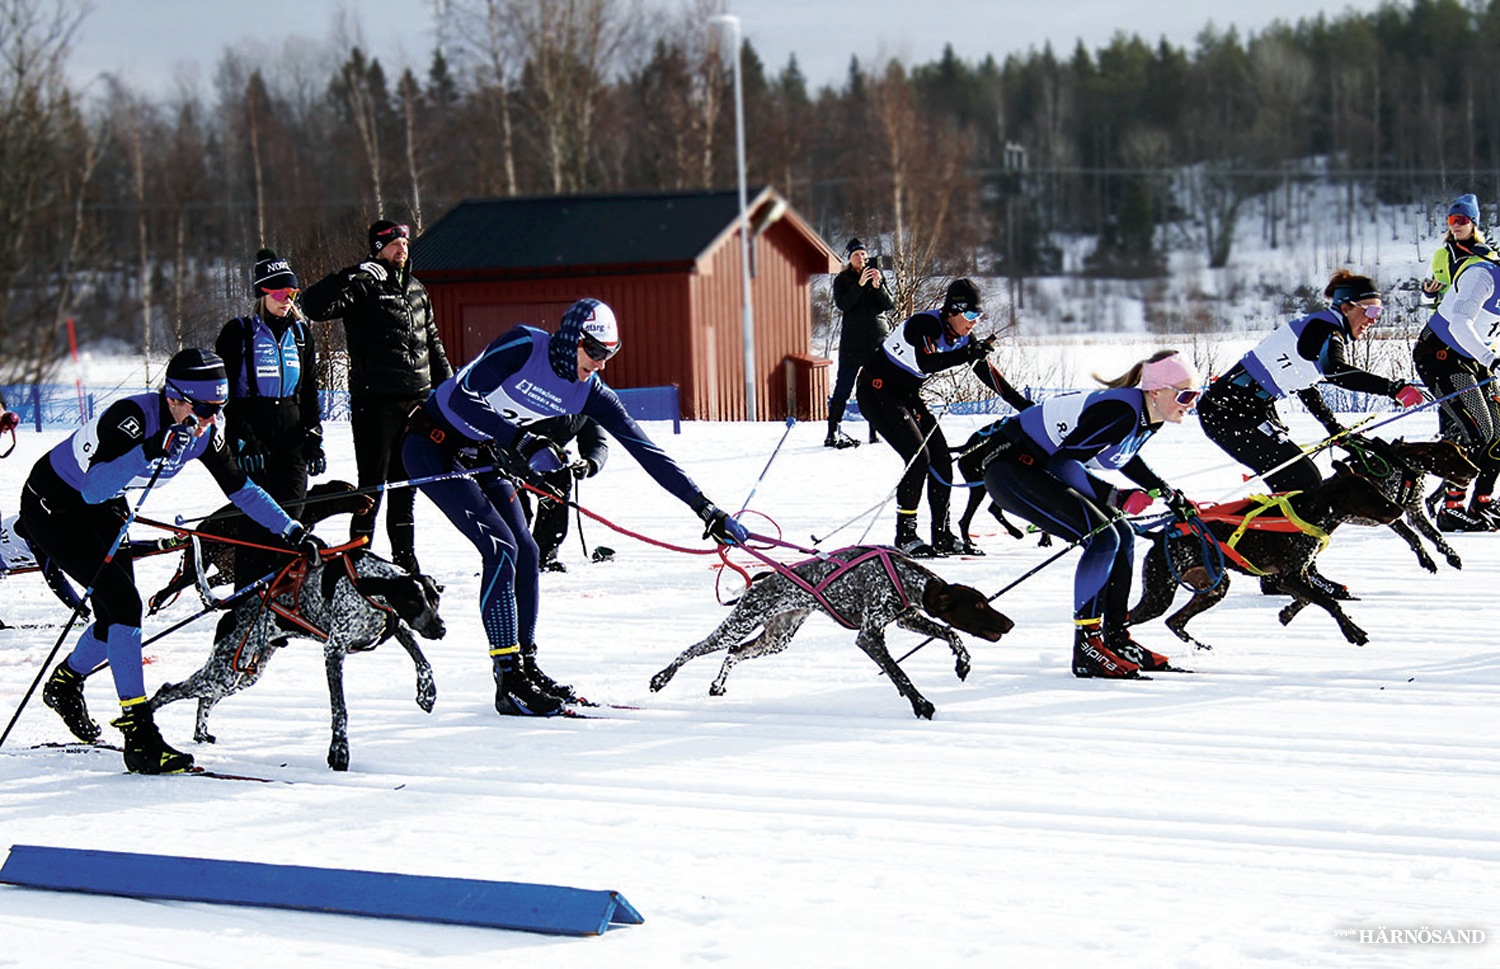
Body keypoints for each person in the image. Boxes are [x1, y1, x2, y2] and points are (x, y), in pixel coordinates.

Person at [402, 298, 749, 717]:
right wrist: (521, 440)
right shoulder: (523, 345)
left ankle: (524, 666)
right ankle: (508, 680)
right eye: (596, 351)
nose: (601, 363)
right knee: (500, 548)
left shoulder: (589, 391)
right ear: (571, 340)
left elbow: (648, 452)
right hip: (432, 444)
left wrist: (706, 508)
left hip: (481, 453)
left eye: (610, 354)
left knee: (527, 550)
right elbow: (461, 400)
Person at [22, 349, 321, 773]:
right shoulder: (132, 418)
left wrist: (290, 530)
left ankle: (64, 684)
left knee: (115, 617)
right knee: (124, 605)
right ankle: (139, 735)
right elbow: (92, 487)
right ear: (175, 398)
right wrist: (148, 449)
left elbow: (242, 490)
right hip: (54, 507)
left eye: (220, 407)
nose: (212, 419)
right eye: (204, 409)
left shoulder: (203, 432)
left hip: (106, 506)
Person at [1197, 271, 1424, 592]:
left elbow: (1307, 383)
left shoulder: (1321, 328)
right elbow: (1335, 371)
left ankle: (1279, 572)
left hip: (1243, 410)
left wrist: (1334, 428)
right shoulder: (1325, 330)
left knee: (1296, 485)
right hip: (1229, 414)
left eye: (1379, 312)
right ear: (1346, 307)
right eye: (1370, 310)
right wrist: (1392, 388)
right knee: (1304, 485)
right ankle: (1292, 572)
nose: (1374, 319)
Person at [980, 351, 1199, 678]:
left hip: (1038, 468)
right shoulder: (1121, 411)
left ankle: (1116, 638)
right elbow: (1064, 462)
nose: (1191, 403)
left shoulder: (1147, 415)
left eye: (1196, 394)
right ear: (1156, 391)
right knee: (1103, 537)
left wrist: (1168, 493)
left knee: (1122, 534)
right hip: (1012, 469)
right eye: (1185, 395)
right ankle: (1087, 646)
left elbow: (1122, 456)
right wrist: (1116, 496)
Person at [302, 220, 452, 575]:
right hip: (376, 402)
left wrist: (448, 389)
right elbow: (313, 306)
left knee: (406, 486)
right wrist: (349, 274)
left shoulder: (416, 289)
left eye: (405, 243)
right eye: (394, 244)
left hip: (417, 401)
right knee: (372, 486)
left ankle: (405, 561)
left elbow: (432, 341)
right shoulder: (362, 284)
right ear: (378, 249)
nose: (402, 249)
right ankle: (358, 561)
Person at [855, 277, 1031, 556]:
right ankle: (906, 535)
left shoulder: (964, 338)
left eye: (979, 316)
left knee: (941, 460)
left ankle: (942, 535)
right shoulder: (925, 325)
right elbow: (927, 361)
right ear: (953, 311)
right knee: (918, 459)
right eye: (970, 315)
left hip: (906, 395)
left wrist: (1023, 405)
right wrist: (966, 353)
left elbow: (987, 374)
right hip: (877, 392)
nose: (974, 323)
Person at [215, 248, 324, 580]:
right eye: (279, 293)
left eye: (292, 293)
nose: (286, 300)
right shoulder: (239, 332)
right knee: (256, 522)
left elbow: (309, 391)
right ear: (262, 293)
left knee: (291, 518)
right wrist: (243, 439)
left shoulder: (301, 335)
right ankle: (247, 595)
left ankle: (282, 595)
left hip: (291, 431)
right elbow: (225, 394)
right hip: (253, 427)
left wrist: (314, 437)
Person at [1412, 237, 1500, 531]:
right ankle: (1451, 508)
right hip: (1442, 354)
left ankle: (1482, 503)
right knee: (1478, 430)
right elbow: (1460, 324)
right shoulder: (1482, 276)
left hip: (1475, 358)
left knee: (1499, 432)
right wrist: (1491, 359)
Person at [518, 414, 608, 572]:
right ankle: (508, 554)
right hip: (508, 456)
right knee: (517, 510)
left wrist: (589, 464)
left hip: (550, 459)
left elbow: (596, 441)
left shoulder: (586, 405)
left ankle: (545, 555)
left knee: (559, 487)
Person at [827, 238, 894, 448]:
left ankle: (875, 430)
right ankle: (832, 431)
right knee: (844, 386)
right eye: (856, 255)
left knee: (877, 386)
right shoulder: (842, 280)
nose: (861, 258)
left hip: (876, 339)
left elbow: (889, 304)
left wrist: (878, 286)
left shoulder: (877, 276)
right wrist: (860, 285)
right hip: (852, 342)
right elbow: (844, 304)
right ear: (849, 259)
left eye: (863, 255)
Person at [1420, 194, 1497, 303]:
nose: (1456, 225)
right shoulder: (1440, 255)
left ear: (1473, 223)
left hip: (1470, 314)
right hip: (1441, 314)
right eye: (1452, 220)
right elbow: (1425, 300)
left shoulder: (1488, 258)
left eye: (1461, 220)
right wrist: (1429, 294)